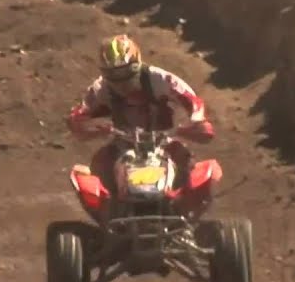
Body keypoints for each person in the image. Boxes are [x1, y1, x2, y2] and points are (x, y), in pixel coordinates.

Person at [65, 34, 215, 198]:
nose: (120, 82)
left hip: (163, 141)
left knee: (187, 165)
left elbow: (192, 101)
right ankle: (112, 207)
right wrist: (90, 129)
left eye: (125, 72)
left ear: (137, 64)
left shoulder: (159, 79)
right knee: (101, 164)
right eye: (112, 74)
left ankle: (182, 205)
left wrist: (196, 120)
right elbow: (79, 115)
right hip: (123, 142)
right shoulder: (101, 88)